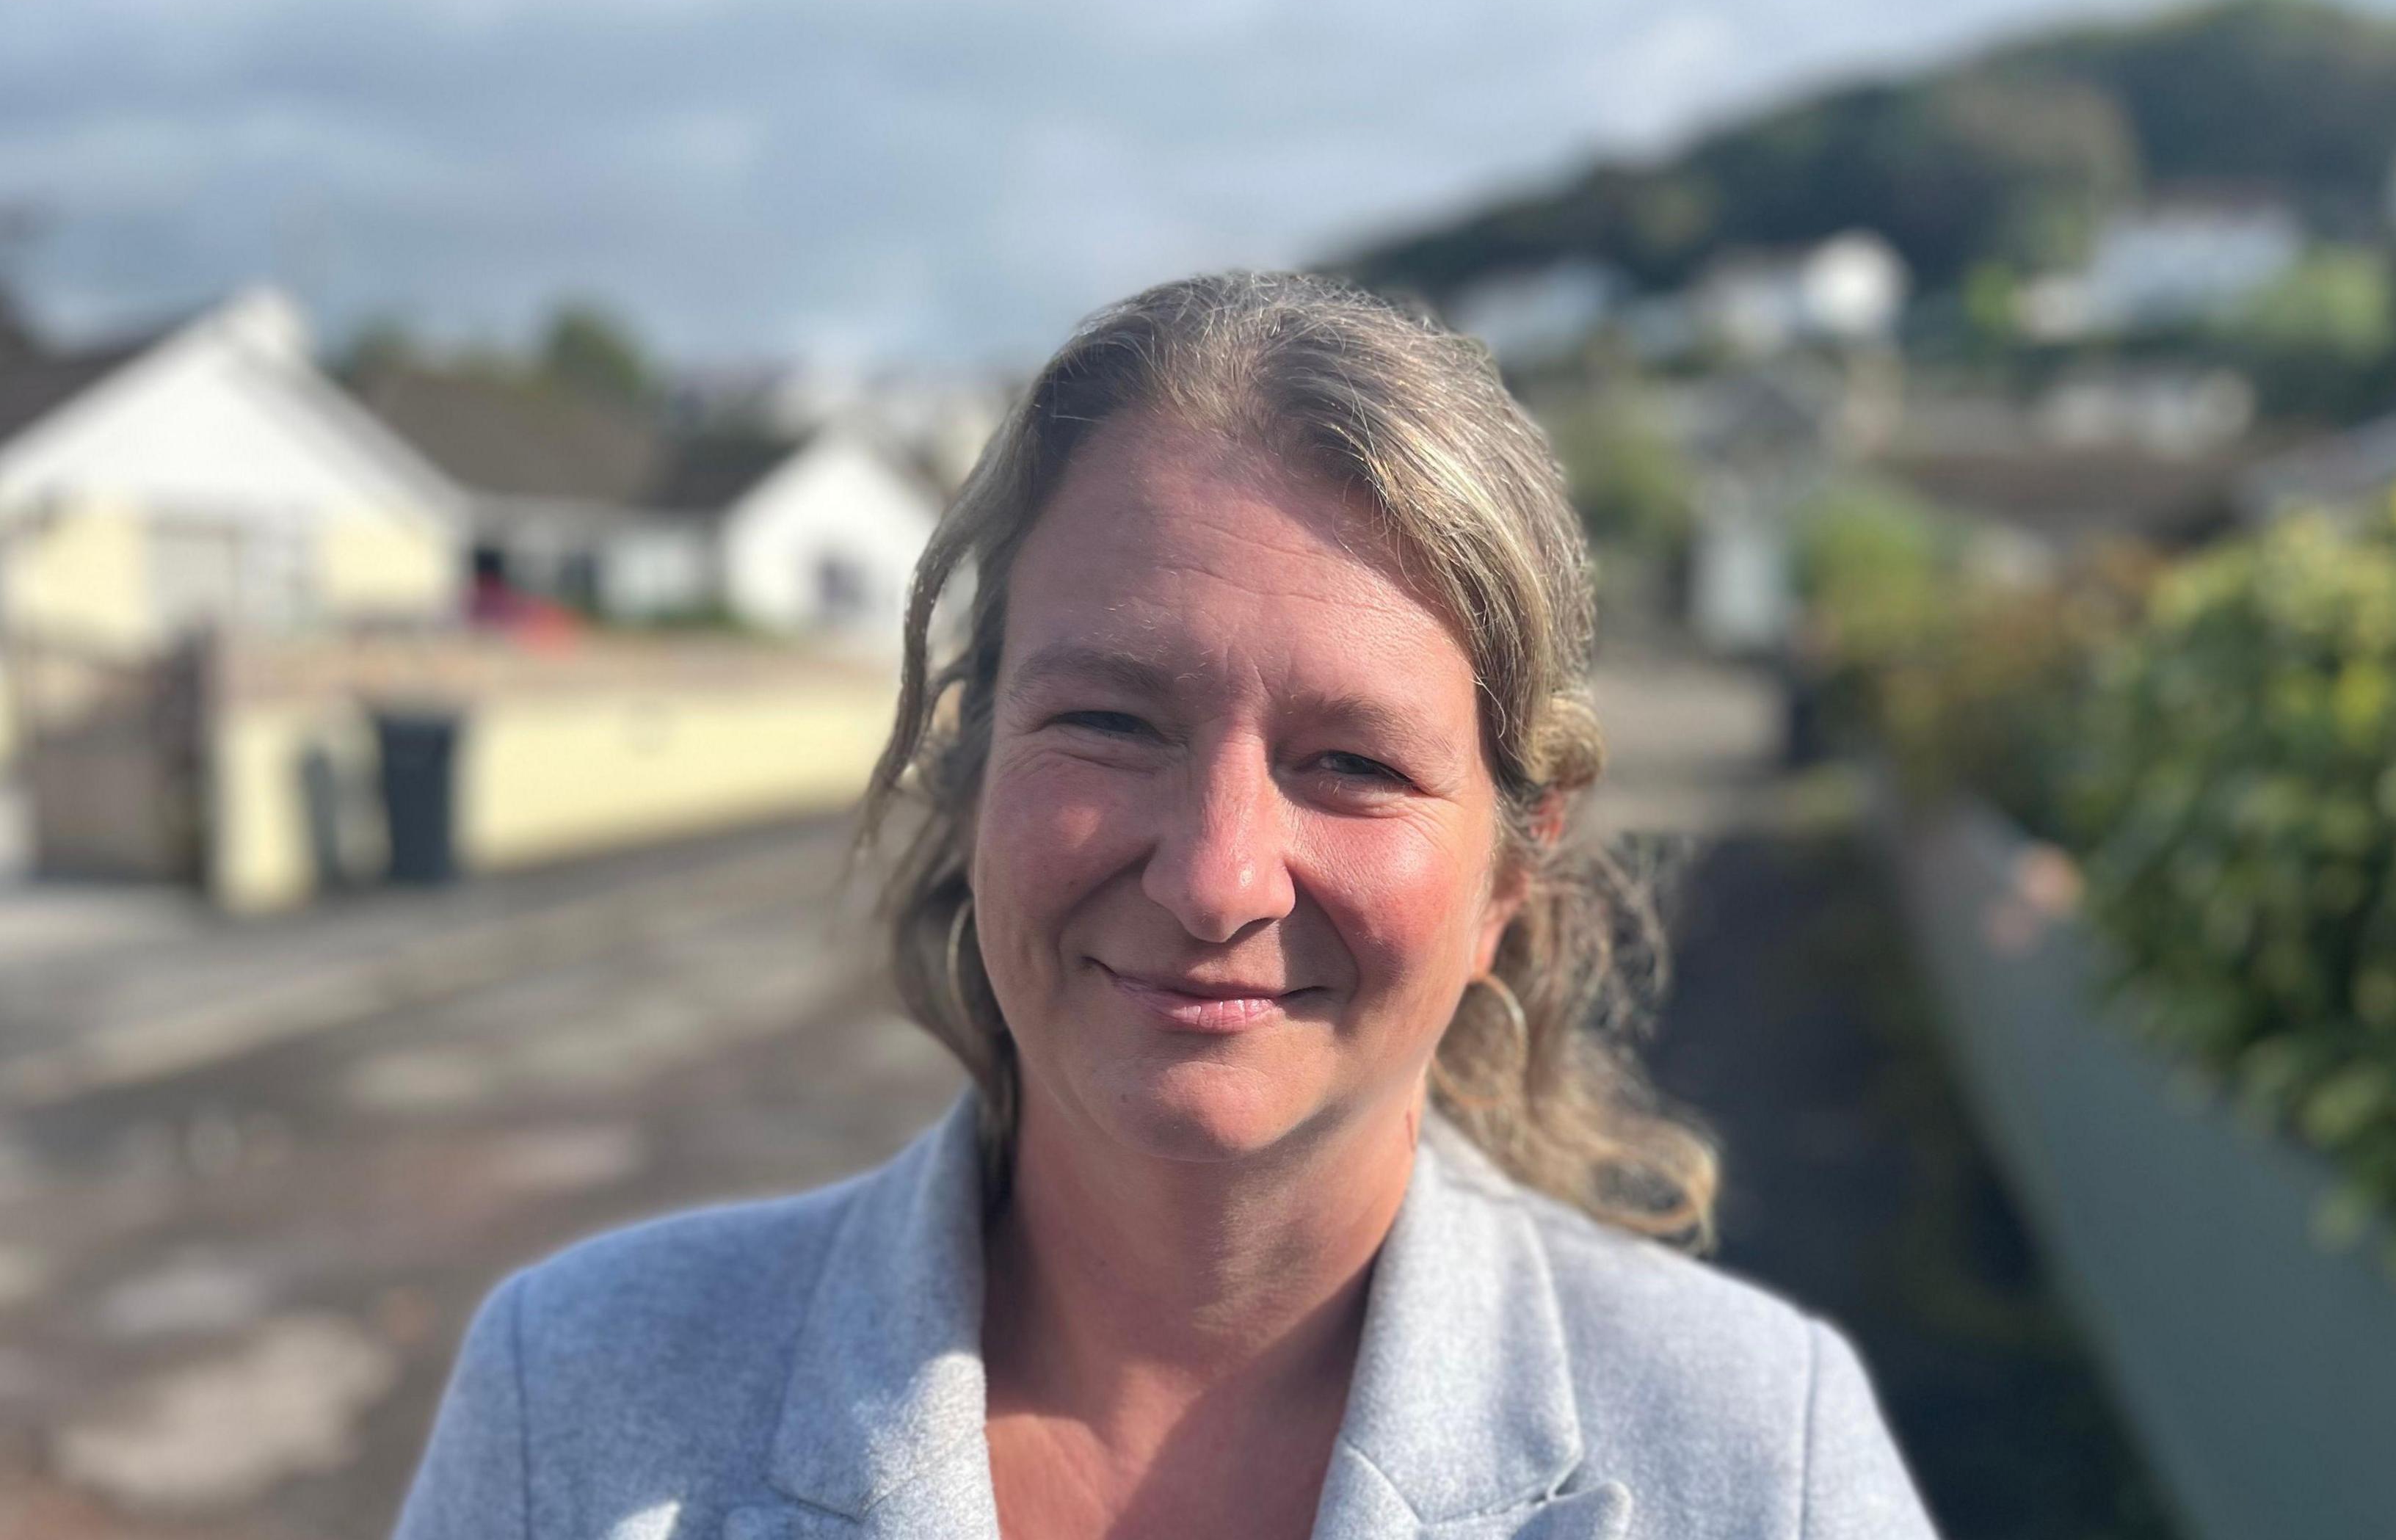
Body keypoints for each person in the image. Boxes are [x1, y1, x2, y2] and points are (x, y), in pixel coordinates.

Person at [393, 272, 1940, 1539]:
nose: (1216, 877)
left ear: (1508, 878)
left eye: (1351, 762)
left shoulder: (1761, 1461)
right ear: (975, 763)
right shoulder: (578, 1394)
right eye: (1114, 724)